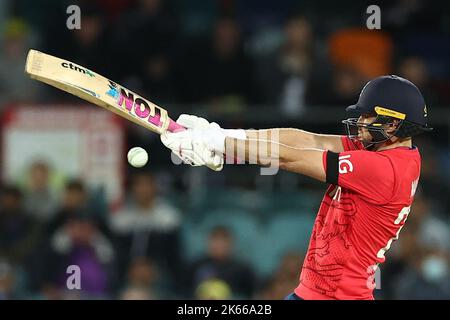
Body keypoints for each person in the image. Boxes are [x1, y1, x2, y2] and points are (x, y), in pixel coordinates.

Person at [160, 75, 432, 300]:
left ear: (393, 122)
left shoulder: (383, 169)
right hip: (318, 293)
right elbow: (308, 140)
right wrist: (225, 135)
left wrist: (219, 145)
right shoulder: (394, 153)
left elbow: (289, 158)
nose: (360, 123)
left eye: (368, 117)